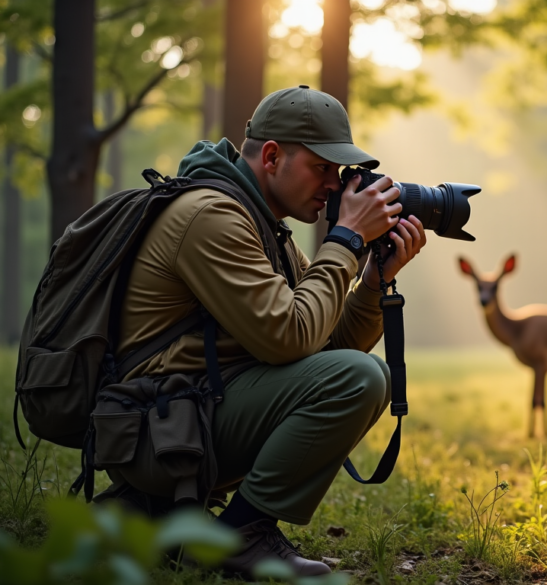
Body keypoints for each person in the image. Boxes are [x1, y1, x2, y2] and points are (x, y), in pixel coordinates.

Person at [112, 85, 426, 577]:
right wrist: (344, 240)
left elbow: (327, 348)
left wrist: (371, 282)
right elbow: (291, 339)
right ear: (274, 156)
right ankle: (242, 534)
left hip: (188, 419)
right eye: (322, 167)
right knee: (362, 378)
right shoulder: (210, 216)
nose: (334, 184)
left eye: (338, 171)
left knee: (360, 374)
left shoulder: (261, 226)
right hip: (157, 433)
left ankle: (163, 513)